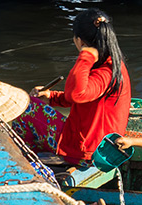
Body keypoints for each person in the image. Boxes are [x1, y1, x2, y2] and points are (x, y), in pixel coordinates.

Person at [29, 9, 131, 166]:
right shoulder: (112, 64)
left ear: (80, 42)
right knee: (36, 104)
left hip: (90, 151)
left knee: (28, 107)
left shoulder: (104, 71)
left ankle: (28, 156)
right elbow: (83, 96)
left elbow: (77, 94)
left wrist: (85, 56)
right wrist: (52, 97)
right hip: (96, 143)